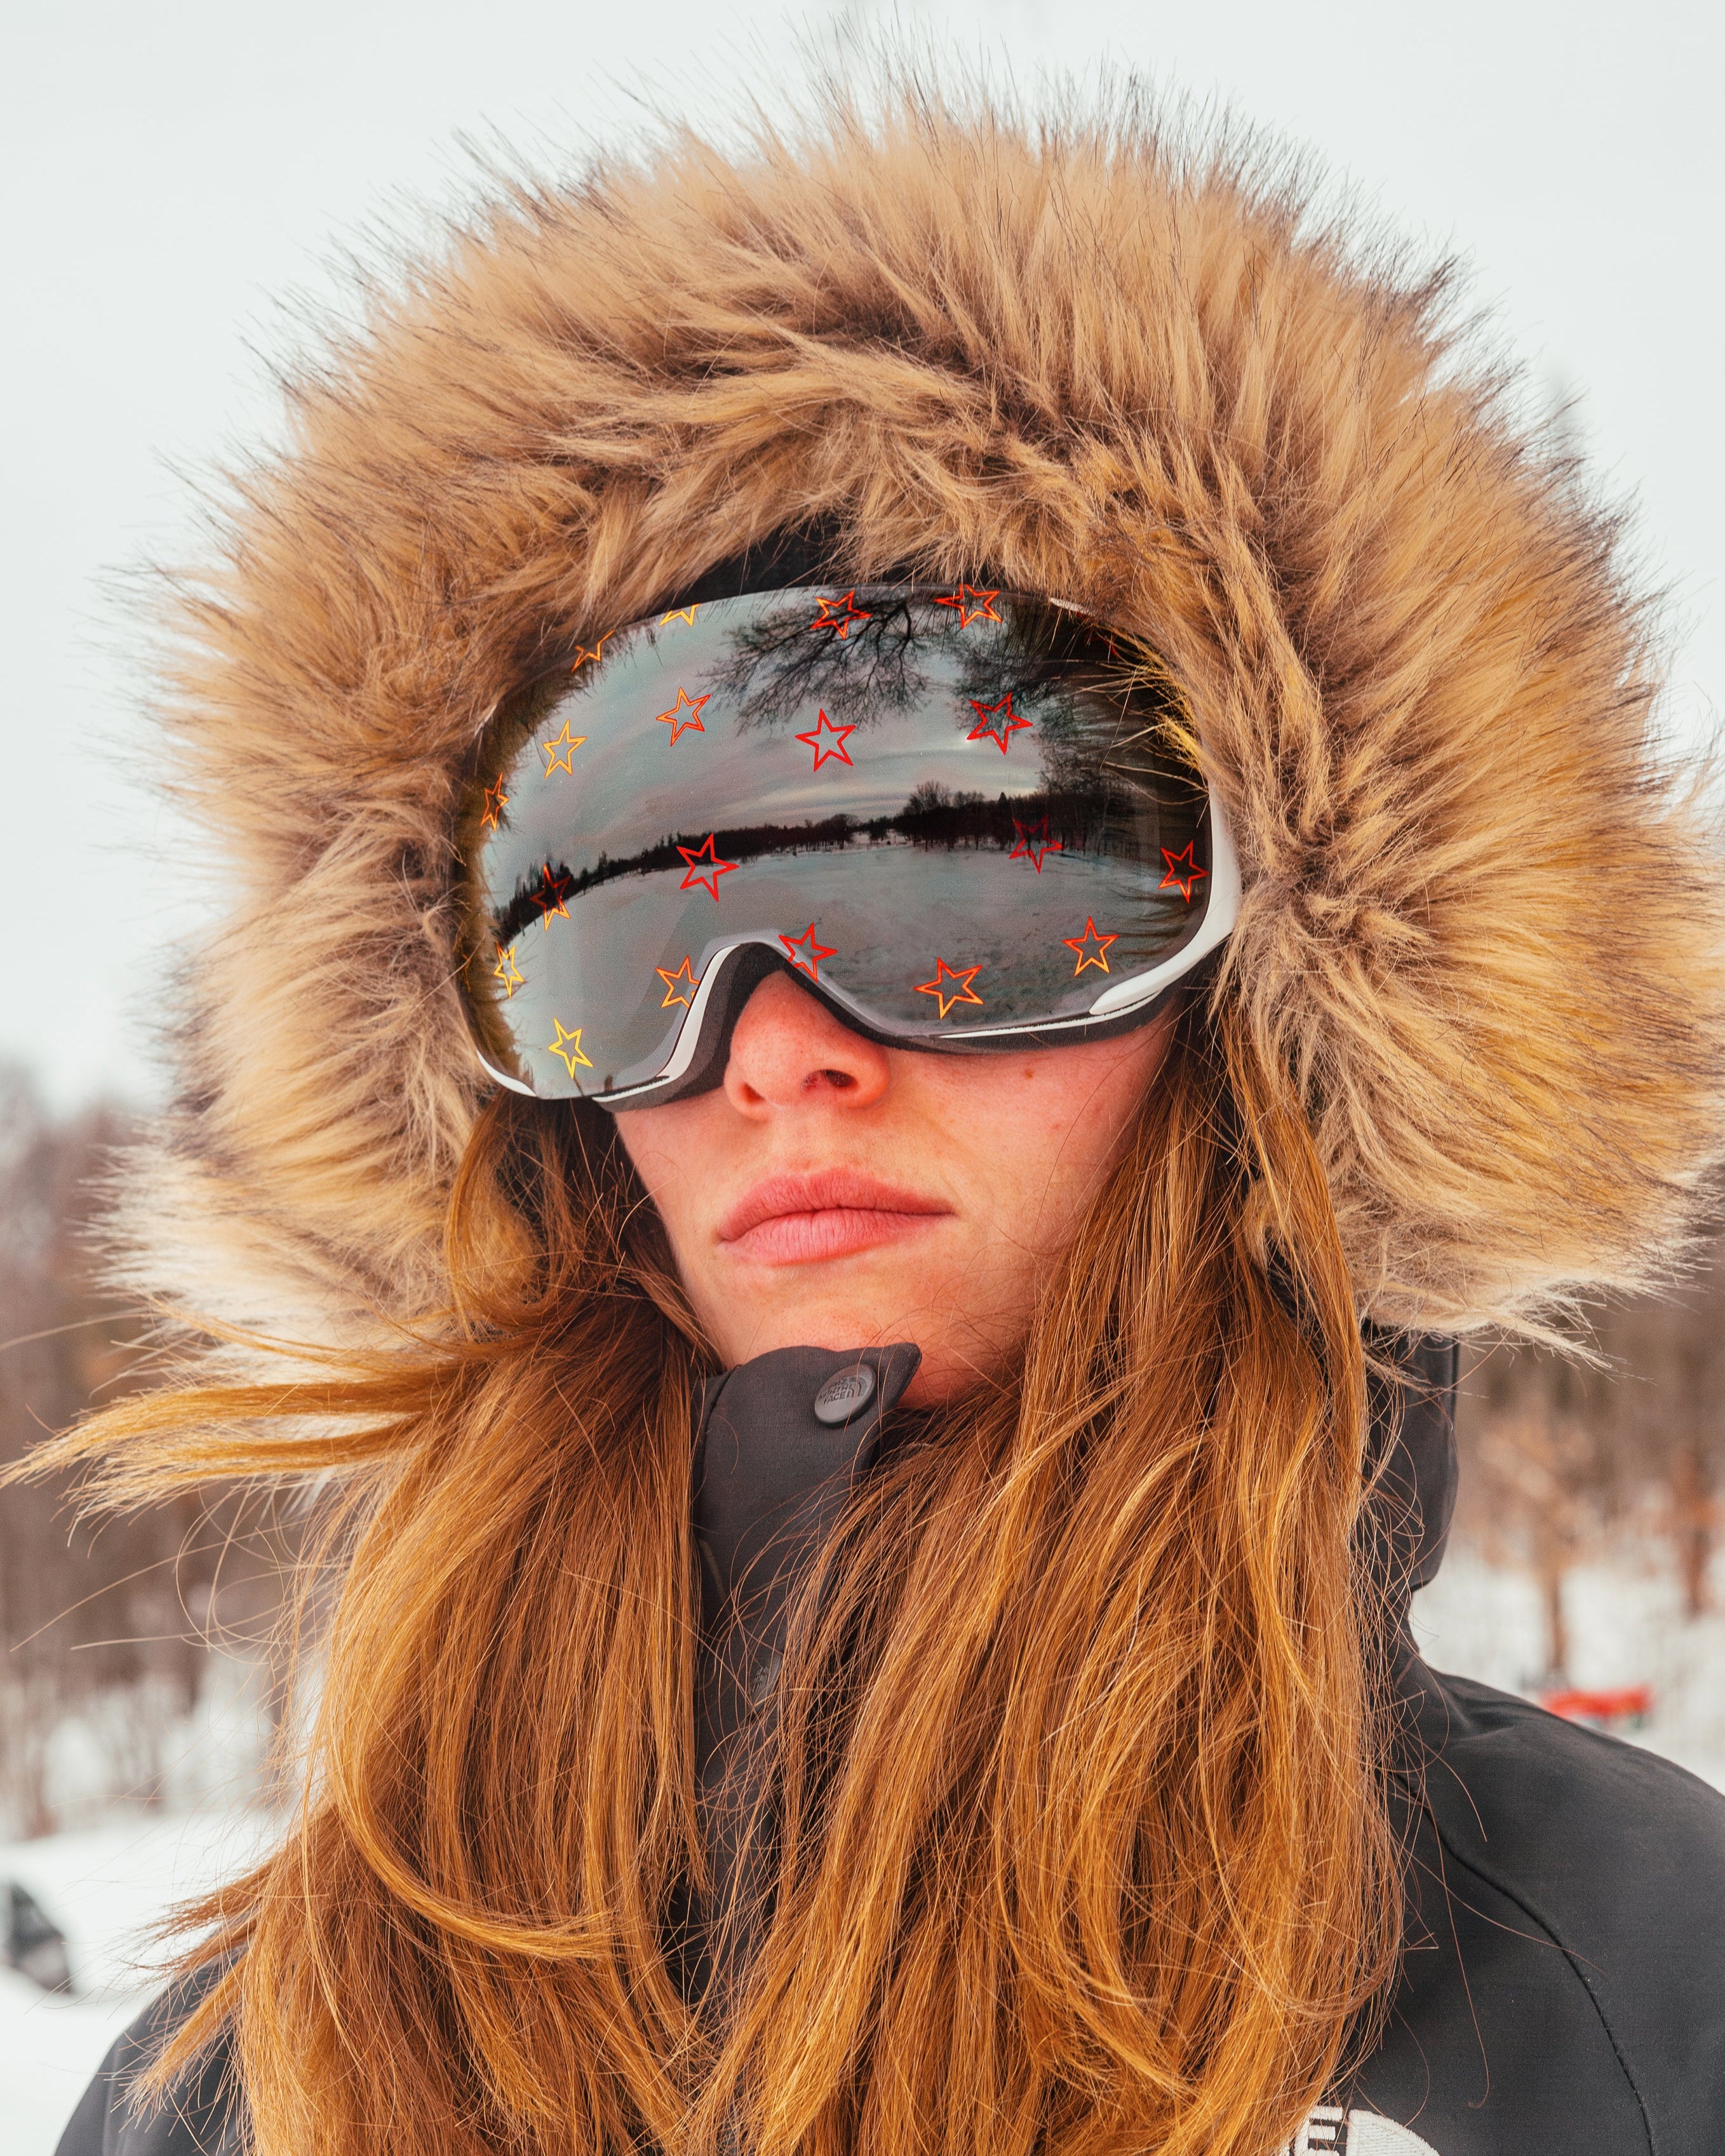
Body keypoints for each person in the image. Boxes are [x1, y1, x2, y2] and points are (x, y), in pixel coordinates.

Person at [39, 74, 1725, 2156]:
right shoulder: (256, 2074)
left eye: (960, 887)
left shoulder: (1639, 2001)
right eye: (623, 931)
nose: (770, 1051)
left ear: (1269, 1013)